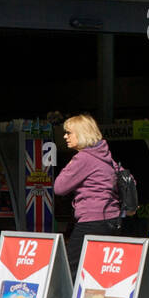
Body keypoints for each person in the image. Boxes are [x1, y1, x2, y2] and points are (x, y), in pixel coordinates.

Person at [53, 114, 122, 278]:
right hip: (112, 220)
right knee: (99, 270)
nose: (65, 136)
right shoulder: (106, 156)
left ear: (81, 133)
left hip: (91, 221)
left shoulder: (83, 158)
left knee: (69, 268)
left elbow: (59, 188)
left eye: (69, 132)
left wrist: (69, 165)